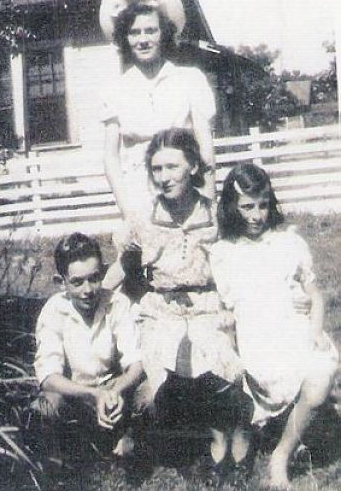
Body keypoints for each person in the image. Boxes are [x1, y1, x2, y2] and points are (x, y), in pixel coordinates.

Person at [113, 128, 253, 473]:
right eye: (157, 169)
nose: (164, 178)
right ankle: (172, 446)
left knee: (223, 370)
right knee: (156, 388)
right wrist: (98, 297)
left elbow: (248, 255)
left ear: (192, 166)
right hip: (162, 309)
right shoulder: (142, 219)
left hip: (209, 306)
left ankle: (231, 440)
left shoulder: (217, 215)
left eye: (173, 167)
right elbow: (123, 267)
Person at [210, 163, 339, 489]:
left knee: (320, 374)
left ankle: (281, 455)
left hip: (294, 331)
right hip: (258, 342)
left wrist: (315, 331)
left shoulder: (288, 242)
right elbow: (225, 309)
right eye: (247, 207)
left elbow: (316, 295)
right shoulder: (224, 253)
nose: (256, 215)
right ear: (232, 207)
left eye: (263, 205)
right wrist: (229, 342)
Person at [99, 0, 217, 222]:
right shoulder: (115, 89)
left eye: (150, 30)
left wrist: (208, 203)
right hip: (138, 194)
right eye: (134, 32)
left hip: (185, 190)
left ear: (164, 34)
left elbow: (205, 147)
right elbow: (110, 156)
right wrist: (127, 211)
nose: (142, 40)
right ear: (124, 38)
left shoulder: (190, 79)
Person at [33, 232, 144, 457]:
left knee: (149, 394)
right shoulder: (54, 311)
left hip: (115, 390)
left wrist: (114, 390)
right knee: (46, 406)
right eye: (76, 282)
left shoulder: (116, 302)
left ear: (102, 272)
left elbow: (136, 364)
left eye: (94, 278)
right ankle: (73, 455)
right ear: (60, 282)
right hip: (76, 393)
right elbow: (48, 378)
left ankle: (130, 439)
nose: (88, 290)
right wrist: (93, 394)